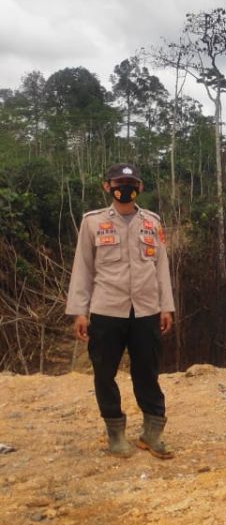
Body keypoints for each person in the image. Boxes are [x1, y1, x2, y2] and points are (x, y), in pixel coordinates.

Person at [65, 163, 176, 459]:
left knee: (147, 372)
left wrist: (166, 306)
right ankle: (115, 433)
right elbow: (83, 268)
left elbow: (161, 267)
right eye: (119, 182)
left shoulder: (153, 222)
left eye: (131, 182)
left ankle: (152, 433)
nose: (124, 187)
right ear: (106, 186)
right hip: (106, 310)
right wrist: (79, 311)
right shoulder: (92, 222)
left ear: (139, 187)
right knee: (104, 372)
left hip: (146, 311)